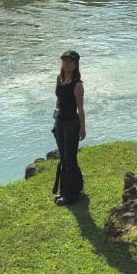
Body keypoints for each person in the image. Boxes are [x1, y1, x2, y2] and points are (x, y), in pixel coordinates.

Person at [52, 50, 86, 205]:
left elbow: (80, 108)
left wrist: (82, 128)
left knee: (70, 159)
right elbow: (58, 102)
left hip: (72, 124)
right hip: (60, 123)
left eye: (70, 61)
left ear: (76, 65)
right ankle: (70, 188)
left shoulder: (77, 85)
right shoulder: (60, 79)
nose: (66, 63)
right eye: (64, 60)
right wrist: (55, 121)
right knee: (64, 158)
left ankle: (71, 195)